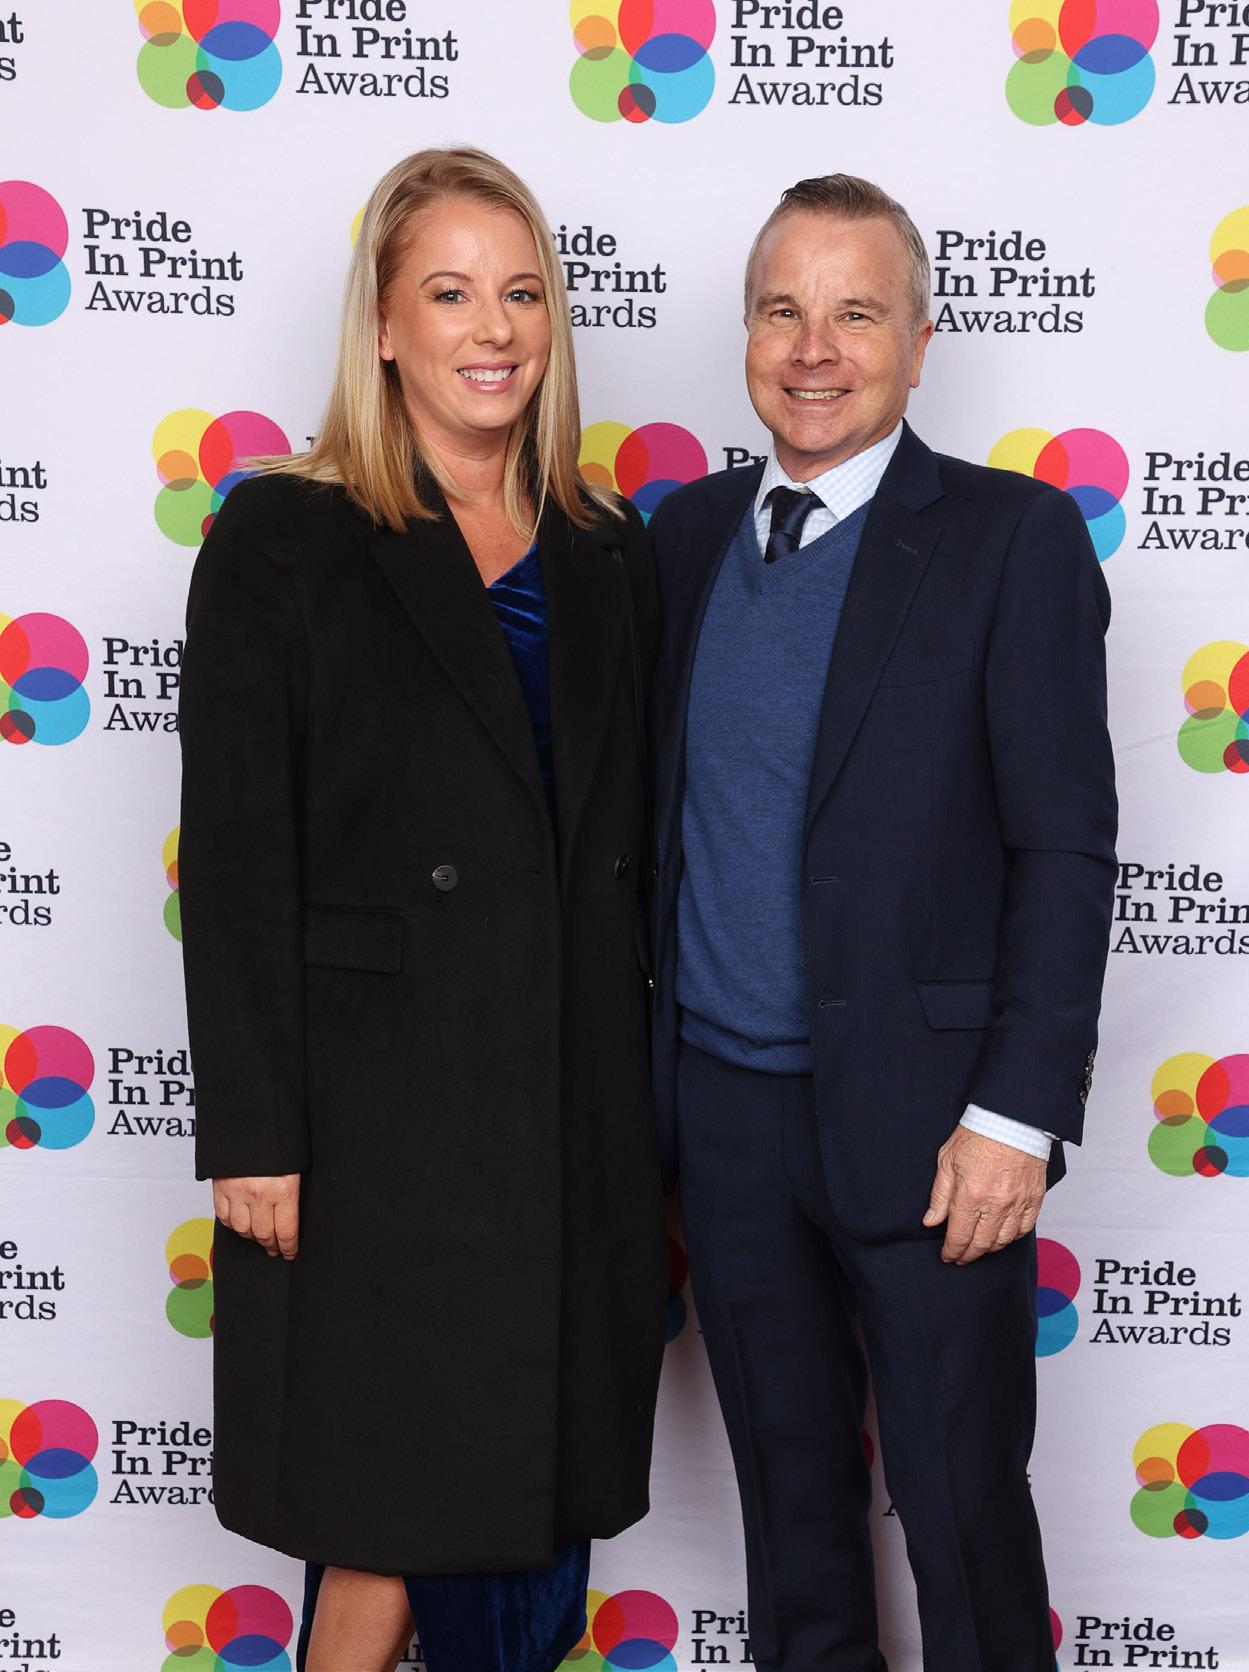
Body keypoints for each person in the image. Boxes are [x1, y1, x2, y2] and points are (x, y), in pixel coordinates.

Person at [177, 147, 666, 1672]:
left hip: (571, 1113)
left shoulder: (609, 553)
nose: (493, 328)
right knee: (383, 1512)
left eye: (522, 292)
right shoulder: (283, 539)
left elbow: (634, 855)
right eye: (450, 293)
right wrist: (254, 1131)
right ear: (383, 326)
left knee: (524, 1523)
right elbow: (236, 863)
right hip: (374, 1125)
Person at [647, 174, 1117, 1671]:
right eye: (781, 310)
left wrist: (1015, 1116)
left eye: (856, 313)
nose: (813, 349)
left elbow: (1064, 848)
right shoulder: (682, 534)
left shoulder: (1009, 539)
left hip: (935, 1132)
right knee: (791, 1526)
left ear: (918, 344)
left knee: (963, 1517)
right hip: (724, 1120)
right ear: (743, 333)